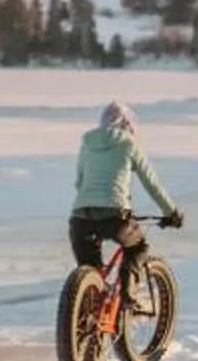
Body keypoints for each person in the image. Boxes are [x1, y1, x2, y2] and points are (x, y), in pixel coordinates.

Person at [69, 100, 183, 274]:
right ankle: (128, 296)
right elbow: (152, 184)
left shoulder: (87, 144)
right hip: (115, 217)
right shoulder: (129, 144)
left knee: (91, 272)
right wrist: (171, 213)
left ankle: (88, 294)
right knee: (138, 248)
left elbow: (79, 182)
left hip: (80, 218)